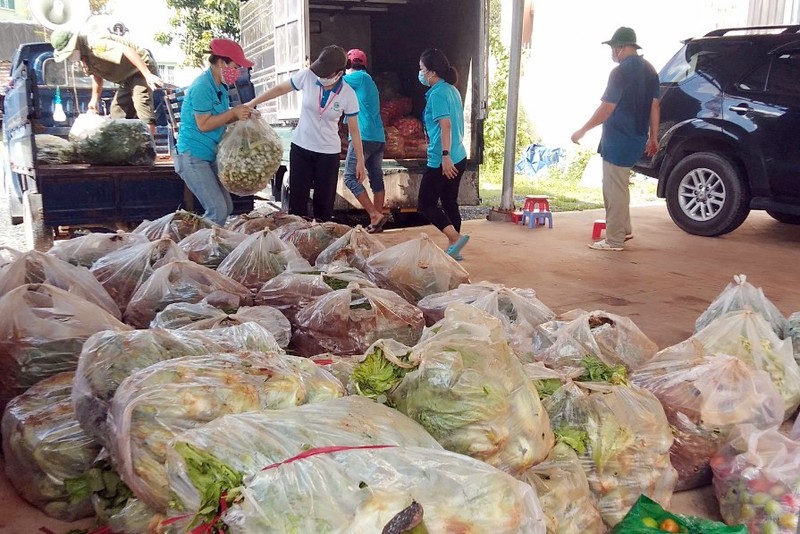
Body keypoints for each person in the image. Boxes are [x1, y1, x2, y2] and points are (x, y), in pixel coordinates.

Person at [246, 45, 366, 222]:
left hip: (328, 153)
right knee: (298, 203)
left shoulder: (348, 94)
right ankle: (296, 242)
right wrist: (252, 103)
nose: (321, 76)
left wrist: (360, 161)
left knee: (324, 205)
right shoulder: (308, 76)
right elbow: (280, 89)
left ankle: (320, 242)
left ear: (339, 73)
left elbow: (354, 130)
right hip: (301, 147)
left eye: (326, 74)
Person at [571, 26, 660, 252]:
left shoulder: (619, 73)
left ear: (620, 47)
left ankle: (614, 239)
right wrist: (653, 137)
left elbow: (607, 108)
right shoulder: (650, 70)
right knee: (618, 186)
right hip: (637, 137)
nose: (612, 52)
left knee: (614, 188)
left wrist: (583, 129)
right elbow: (655, 105)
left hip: (619, 138)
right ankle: (624, 228)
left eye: (612, 48)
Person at [173, 38, 254, 226]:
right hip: (193, 156)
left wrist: (242, 114)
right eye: (235, 67)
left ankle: (209, 246)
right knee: (217, 211)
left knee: (227, 207)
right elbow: (204, 124)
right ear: (220, 63)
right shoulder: (202, 86)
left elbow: (222, 117)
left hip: (210, 155)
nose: (237, 72)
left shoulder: (221, 86)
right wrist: (233, 112)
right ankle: (197, 248)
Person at [50, 27, 164, 134]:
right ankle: (126, 150)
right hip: (126, 78)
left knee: (143, 111)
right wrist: (93, 101)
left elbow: (127, 50)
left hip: (140, 70)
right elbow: (97, 77)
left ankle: (150, 150)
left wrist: (148, 74)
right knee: (117, 113)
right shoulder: (84, 57)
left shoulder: (95, 44)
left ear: (74, 45)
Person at [417, 48, 469, 260]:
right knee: (449, 202)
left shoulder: (438, 93)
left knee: (425, 204)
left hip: (443, 159)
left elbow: (445, 125)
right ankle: (454, 248)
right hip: (459, 155)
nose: (419, 73)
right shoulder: (451, 89)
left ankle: (455, 239)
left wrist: (445, 156)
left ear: (431, 72)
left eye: (421, 69)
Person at [343, 48, 387, 233]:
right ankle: (377, 220)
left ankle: (374, 215)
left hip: (364, 137)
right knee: (376, 179)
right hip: (378, 137)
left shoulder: (358, 77)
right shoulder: (367, 80)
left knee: (350, 177)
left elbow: (332, 82)